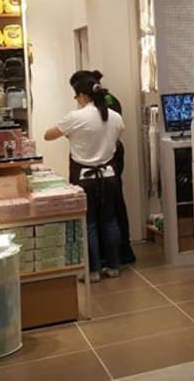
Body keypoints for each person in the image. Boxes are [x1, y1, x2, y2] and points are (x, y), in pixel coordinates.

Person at [45, 74, 124, 283]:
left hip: (84, 176)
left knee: (88, 223)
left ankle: (93, 270)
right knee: (110, 221)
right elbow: (116, 138)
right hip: (109, 175)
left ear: (82, 95)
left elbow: (48, 135)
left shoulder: (76, 117)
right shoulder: (114, 117)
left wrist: (74, 135)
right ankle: (114, 266)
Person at [70, 69, 137, 265]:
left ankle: (104, 257)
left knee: (105, 212)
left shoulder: (104, 104)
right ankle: (117, 256)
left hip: (105, 160)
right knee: (112, 210)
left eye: (76, 94)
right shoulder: (109, 100)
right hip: (109, 161)